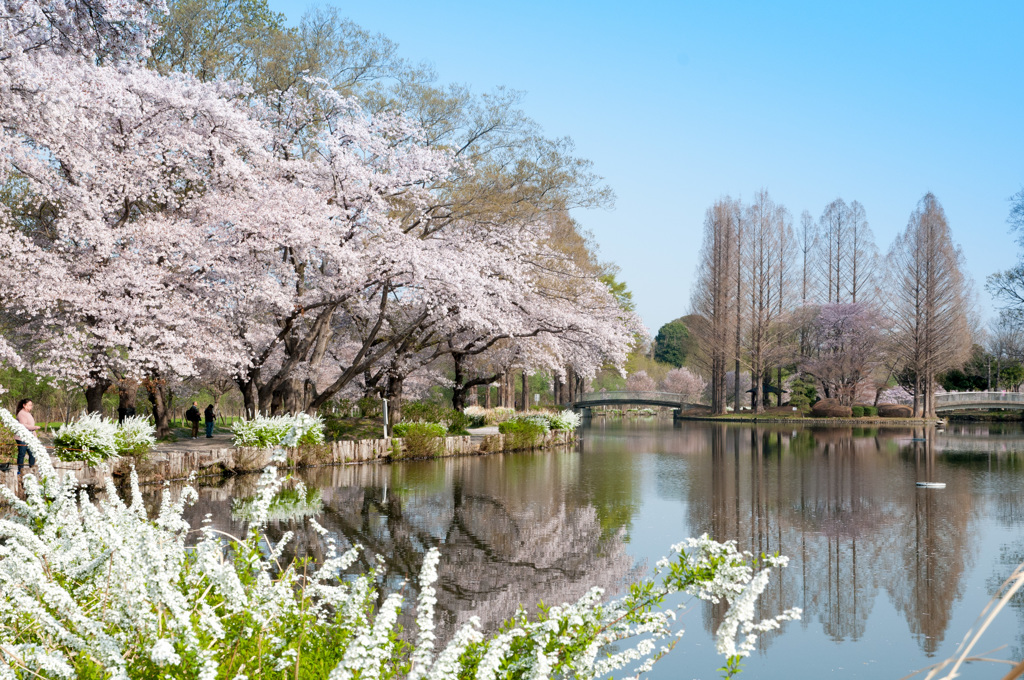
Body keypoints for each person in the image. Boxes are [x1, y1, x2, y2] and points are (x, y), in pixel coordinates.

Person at [15, 398, 39, 476]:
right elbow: (23, 425)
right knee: (22, 454)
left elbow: (31, 426)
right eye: (29, 405)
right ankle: (20, 470)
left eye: (31, 405)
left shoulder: (28, 413)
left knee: (32, 453)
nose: (31, 407)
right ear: (24, 405)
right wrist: (34, 427)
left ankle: (32, 469)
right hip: (21, 437)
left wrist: (35, 436)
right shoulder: (21, 413)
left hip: (29, 437)